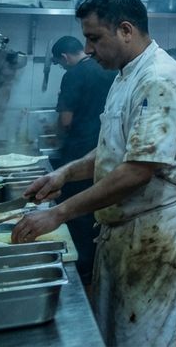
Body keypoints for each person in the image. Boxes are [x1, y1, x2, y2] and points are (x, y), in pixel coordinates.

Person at [12, 0, 176, 347]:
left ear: (126, 30)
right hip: (125, 230)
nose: (87, 49)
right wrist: (63, 174)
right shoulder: (125, 76)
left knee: (148, 340)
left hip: (156, 234)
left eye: (94, 38)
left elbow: (137, 170)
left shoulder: (158, 79)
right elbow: (113, 149)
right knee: (117, 335)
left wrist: (60, 213)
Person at [51, 34, 117, 281]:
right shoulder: (108, 70)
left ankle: (81, 267)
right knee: (97, 208)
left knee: (77, 212)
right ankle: (95, 266)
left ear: (65, 57)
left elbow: (66, 120)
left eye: (60, 63)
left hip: (79, 152)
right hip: (105, 150)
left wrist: (58, 137)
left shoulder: (73, 75)